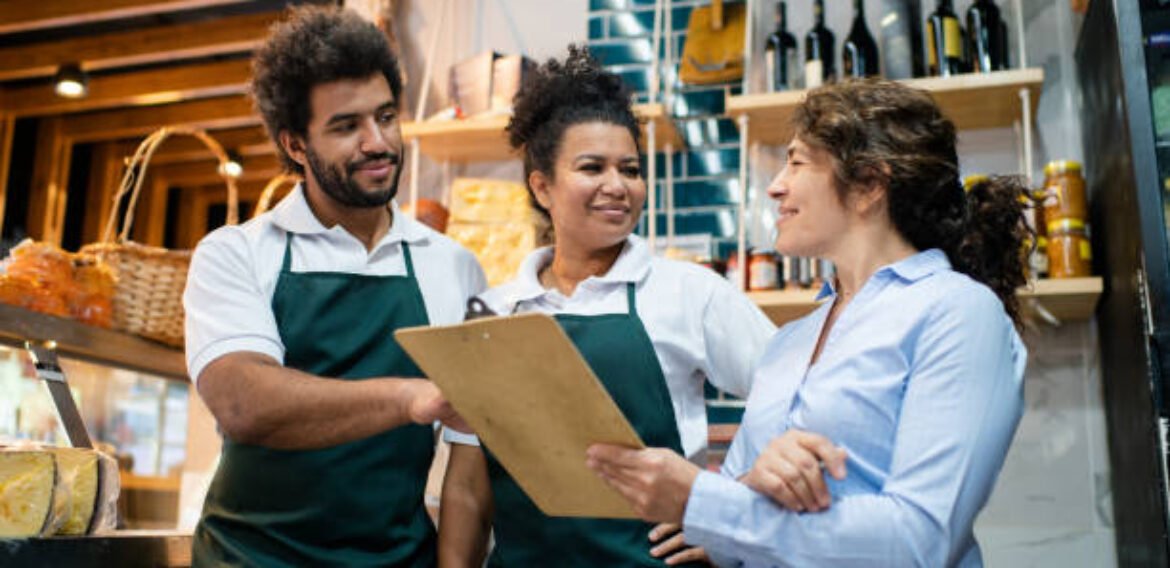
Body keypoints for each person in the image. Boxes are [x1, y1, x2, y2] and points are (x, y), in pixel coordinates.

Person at [587, 78, 1029, 567]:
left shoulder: (957, 311)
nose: (776, 185)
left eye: (796, 162)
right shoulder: (790, 342)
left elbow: (919, 542)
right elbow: (736, 528)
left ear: (869, 186)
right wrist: (745, 492)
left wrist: (702, 501)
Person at [436, 46, 777, 567]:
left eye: (631, 169)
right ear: (542, 186)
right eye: (592, 167)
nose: (618, 187)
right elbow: (467, 485)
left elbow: (801, 401)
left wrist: (728, 516)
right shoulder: (493, 311)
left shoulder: (689, 291)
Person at [183, 7, 485, 566]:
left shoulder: (454, 266)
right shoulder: (237, 253)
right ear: (296, 145)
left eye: (386, 117)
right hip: (250, 558)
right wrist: (409, 397)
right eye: (347, 127)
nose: (378, 142)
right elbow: (244, 402)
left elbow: (470, 463)